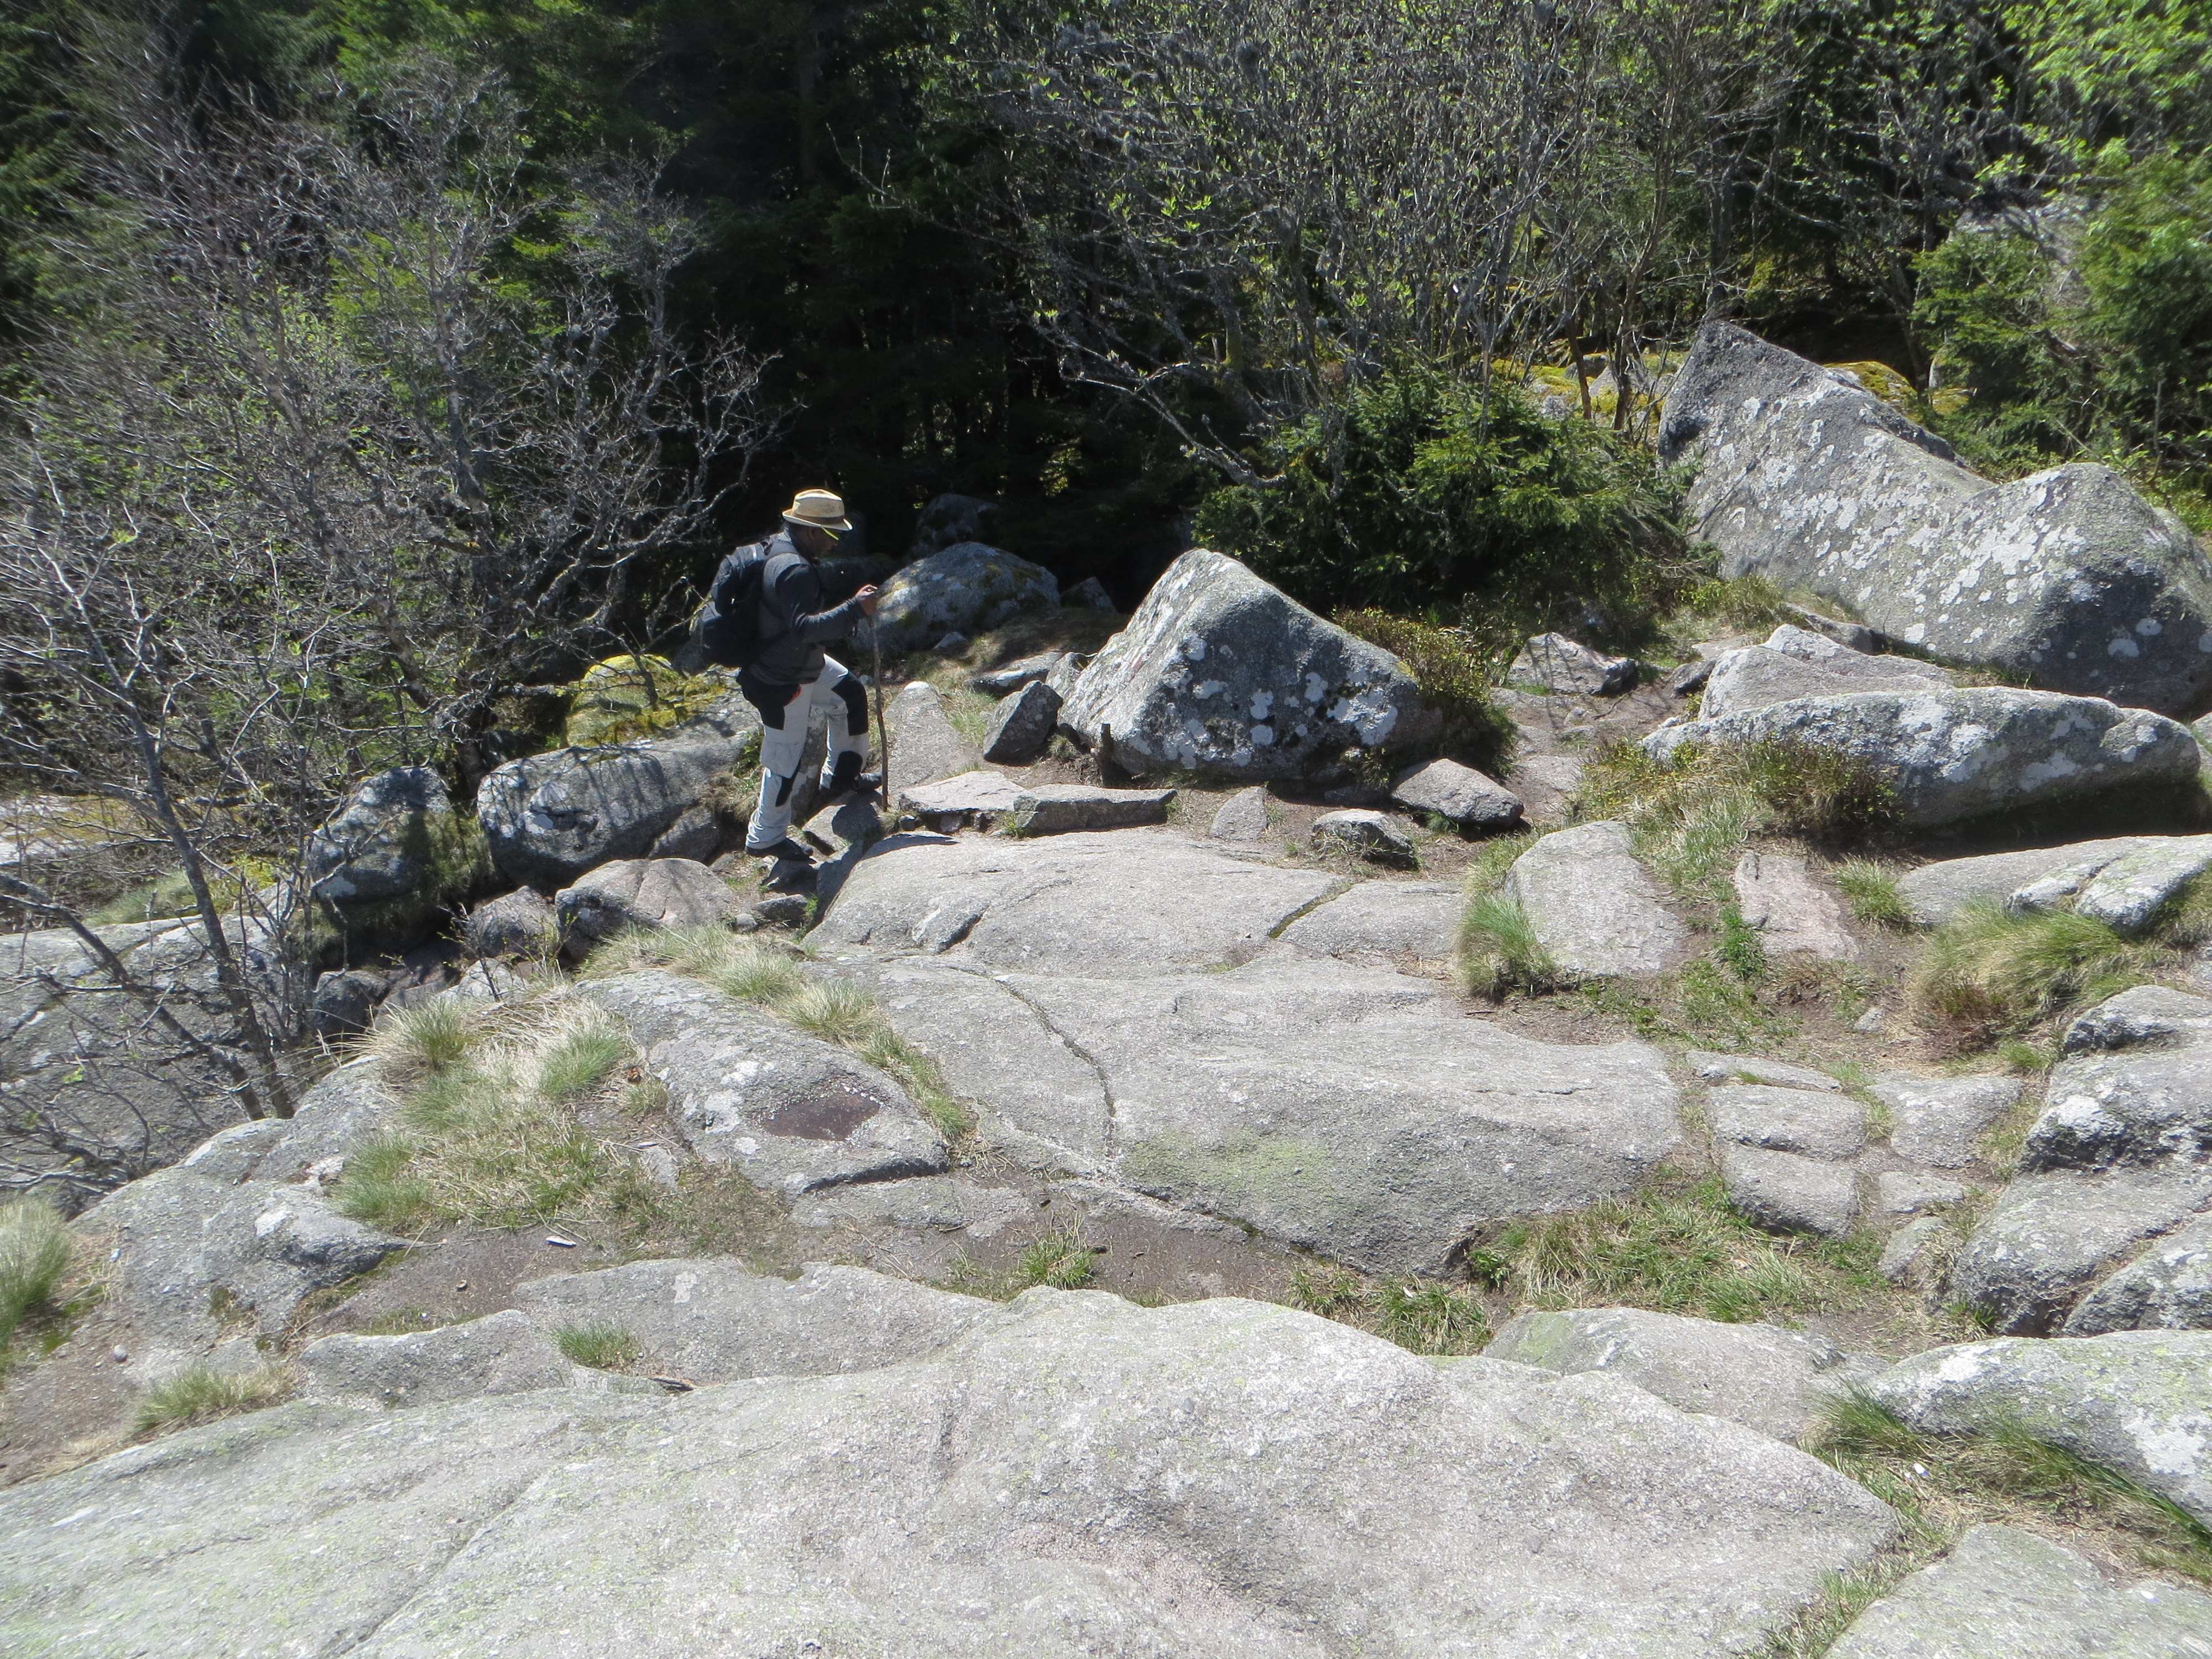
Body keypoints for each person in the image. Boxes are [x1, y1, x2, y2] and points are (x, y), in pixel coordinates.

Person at [739, 488, 881, 864]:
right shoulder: (795, 570)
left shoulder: (776, 549)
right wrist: (854, 609)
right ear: (811, 531)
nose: (836, 542)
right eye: (833, 534)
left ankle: (841, 778)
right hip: (781, 678)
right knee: (785, 759)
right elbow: (804, 628)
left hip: (794, 663)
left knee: (848, 693)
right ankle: (764, 837)